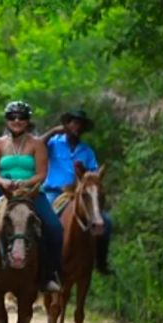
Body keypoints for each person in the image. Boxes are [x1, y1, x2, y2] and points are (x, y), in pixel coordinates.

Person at [0, 101, 63, 292]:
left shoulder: (37, 144)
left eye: (21, 117)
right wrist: (3, 182)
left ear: (27, 121)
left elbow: (42, 174)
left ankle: (50, 273)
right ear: (7, 120)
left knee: (54, 227)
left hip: (31, 193)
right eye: (12, 117)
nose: (17, 121)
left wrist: (25, 183)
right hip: (2, 189)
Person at [41, 109, 113, 275]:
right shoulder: (54, 143)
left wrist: (85, 173)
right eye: (73, 122)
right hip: (55, 191)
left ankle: (101, 263)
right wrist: (53, 131)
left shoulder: (87, 151)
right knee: (46, 220)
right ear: (66, 124)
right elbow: (36, 145)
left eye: (80, 124)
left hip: (80, 194)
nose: (77, 126)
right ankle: (44, 266)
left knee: (107, 222)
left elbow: (94, 176)